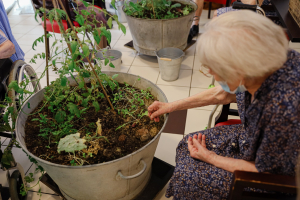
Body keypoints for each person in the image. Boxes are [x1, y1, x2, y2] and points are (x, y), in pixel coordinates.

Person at [148, 10, 300, 199]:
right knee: (186, 145)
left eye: (214, 68)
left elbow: (267, 172)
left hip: (266, 176)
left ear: (240, 71)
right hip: (250, 139)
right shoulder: (265, 61)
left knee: (186, 176)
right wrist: (171, 106)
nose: (211, 72)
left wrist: (210, 157)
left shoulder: (282, 110)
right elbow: (224, 94)